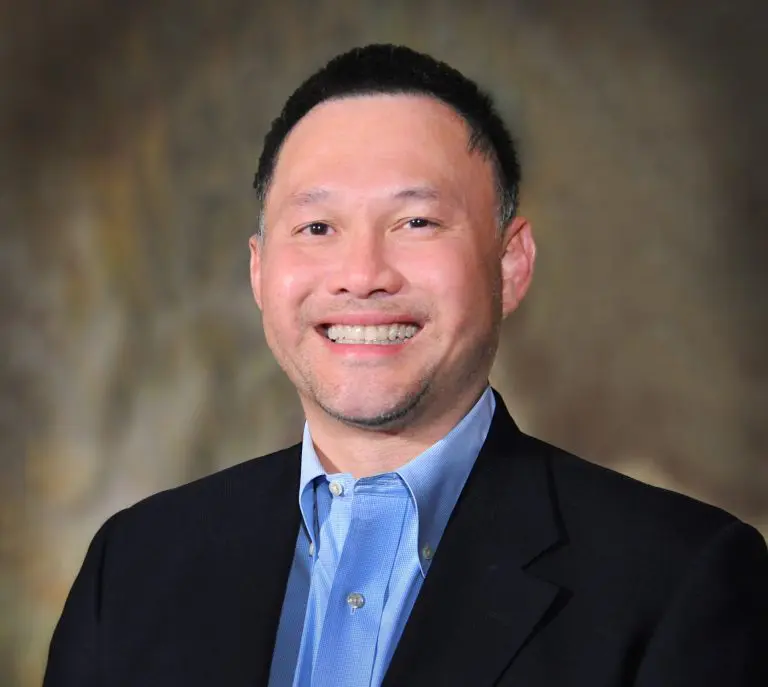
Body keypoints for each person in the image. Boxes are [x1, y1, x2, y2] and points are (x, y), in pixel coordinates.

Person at [44, 44, 768, 687]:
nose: (362, 274)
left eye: (416, 222)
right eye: (317, 227)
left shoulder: (679, 578)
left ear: (510, 264)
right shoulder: (134, 565)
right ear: (260, 272)